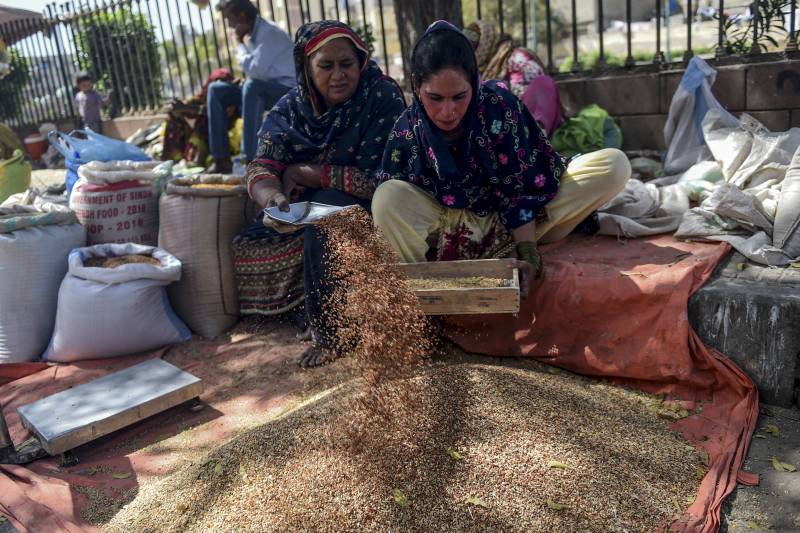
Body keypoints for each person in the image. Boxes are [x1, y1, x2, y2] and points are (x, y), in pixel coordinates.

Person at [373, 21, 631, 297]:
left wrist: (528, 252)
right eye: (435, 98)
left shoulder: (499, 107)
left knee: (614, 165)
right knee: (388, 196)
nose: (447, 111)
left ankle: (504, 253)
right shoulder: (406, 130)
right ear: (416, 85)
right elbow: (398, 210)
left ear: (473, 83)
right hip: (446, 233)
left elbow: (522, 188)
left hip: (513, 224)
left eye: (459, 97)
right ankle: (420, 292)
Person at [244, 20, 406, 367]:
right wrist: (273, 199)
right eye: (326, 66)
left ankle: (330, 334)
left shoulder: (381, 97)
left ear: (361, 62)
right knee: (254, 234)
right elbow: (261, 166)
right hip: (308, 203)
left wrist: (307, 172)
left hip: (379, 206)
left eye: (346, 64)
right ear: (306, 67)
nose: (338, 76)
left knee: (325, 213)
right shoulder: (291, 109)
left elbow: (384, 179)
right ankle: (299, 309)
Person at [207, 0, 296, 173]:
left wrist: (240, 43)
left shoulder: (268, 32)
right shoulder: (255, 33)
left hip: (286, 91)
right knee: (216, 90)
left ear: (242, 16)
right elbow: (259, 70)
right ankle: (221, 160)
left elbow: (256, 72)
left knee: (252, 86)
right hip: (266, 86)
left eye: (230, 19)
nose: (230, 25)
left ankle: (249, 160)